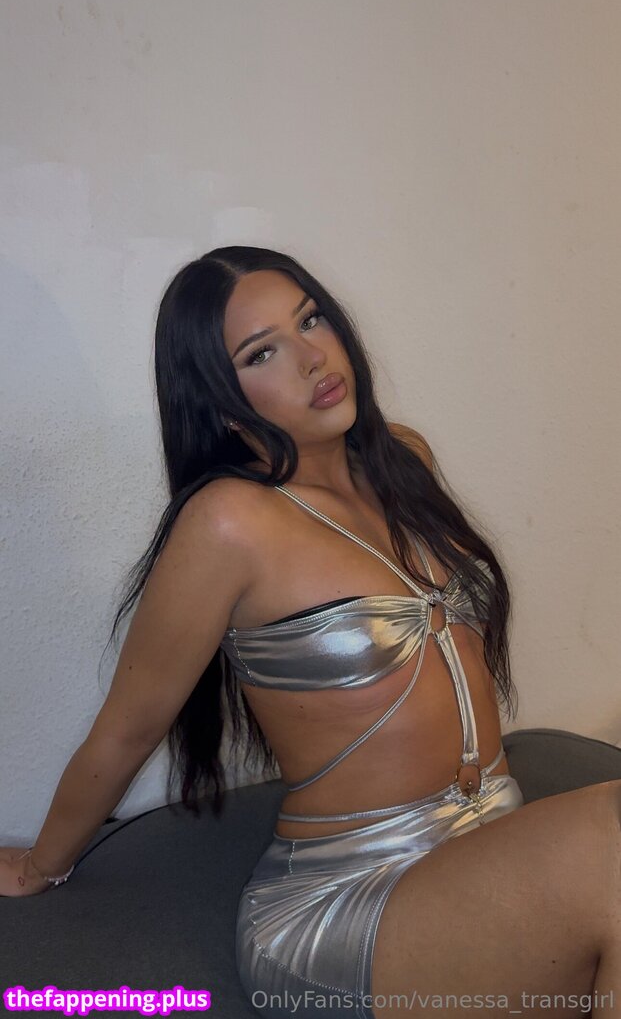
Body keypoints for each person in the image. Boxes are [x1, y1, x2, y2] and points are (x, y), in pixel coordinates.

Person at [1, 247, 619, 1019]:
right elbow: (128, 728)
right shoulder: (230, 522)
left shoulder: (403, 461)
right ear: (221, 401)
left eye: (310, 320)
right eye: (261, 353)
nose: (311, 358)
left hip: (486, 848)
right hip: (349, 903)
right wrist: (40, 867)